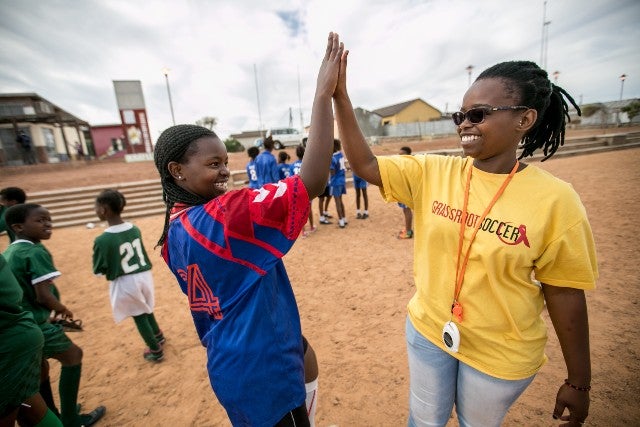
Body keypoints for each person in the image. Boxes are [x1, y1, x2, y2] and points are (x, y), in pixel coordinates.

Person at [334, 54, 597, 426]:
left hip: (500, 353)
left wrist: (579, 382)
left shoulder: (557, 200)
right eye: (460, 116)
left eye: (479, 114)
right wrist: (340, 97)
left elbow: (565, 292)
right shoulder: (433, 172)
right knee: (423, 421)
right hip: (429, 330)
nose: (464, 125)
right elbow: (366, 166)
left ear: (524, 119)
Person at [152, 32, 344, 426]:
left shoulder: (172, 234)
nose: (225, 171)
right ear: (177, 171)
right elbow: (312, 182)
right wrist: (323, 96)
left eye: (226, 161)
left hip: (232, 360)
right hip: (264, 374)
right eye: (213, 164)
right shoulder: (222, 216)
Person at [3, 203, 106, 427]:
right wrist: (62, 309)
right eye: (40, 220)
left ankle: (52, 412)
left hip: (21, 319)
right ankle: (70, 417)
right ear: (18, 227)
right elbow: (43, 295)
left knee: (39, 371)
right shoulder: (34, 250)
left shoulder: (10, 251)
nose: (48, 224)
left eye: (48, 219)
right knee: (73, 356)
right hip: (34, 324)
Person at [92, 189, 165, 362]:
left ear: (103, 209)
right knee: (146, 305)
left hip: (126, 280)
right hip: (144, 275)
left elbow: (99, 268)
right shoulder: (134, 228)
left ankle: (155, 350)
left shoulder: (102, 240)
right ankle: (158, 335)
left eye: (96, 207)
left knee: (138, 314)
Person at [0, 253, 62, 427]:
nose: (47, 224)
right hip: (22, 335)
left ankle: (70, 416)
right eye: (40, 222)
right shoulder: (23, 253)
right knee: (28, 405)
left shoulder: (20, 253)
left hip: (9, 345)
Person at [290, 145, 316, 236]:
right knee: (309, 209)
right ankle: (312, 227)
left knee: (299, 210)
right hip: (307, 189)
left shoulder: (292, 165)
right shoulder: (308, 164)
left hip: (297, 190)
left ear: (297, 154)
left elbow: (290, 178)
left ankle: (303, 231)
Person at [329, 139, 348, 228]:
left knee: (337, 202)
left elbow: (332, 172)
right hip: (342, 180)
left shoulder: (332, 158)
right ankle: (344, 218)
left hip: (335, 182)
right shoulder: (340, 155)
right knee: (341, 201)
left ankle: (341, 221)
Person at [396, 147, 414, 239]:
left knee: (407, 210)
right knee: (405, 210)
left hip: (406, 191)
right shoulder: (402, 164)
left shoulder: (409, 165)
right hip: (402, 190)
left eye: (402, 155)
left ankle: (409, 231)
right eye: (399, 155)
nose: (400, 157)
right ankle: (407, 228)